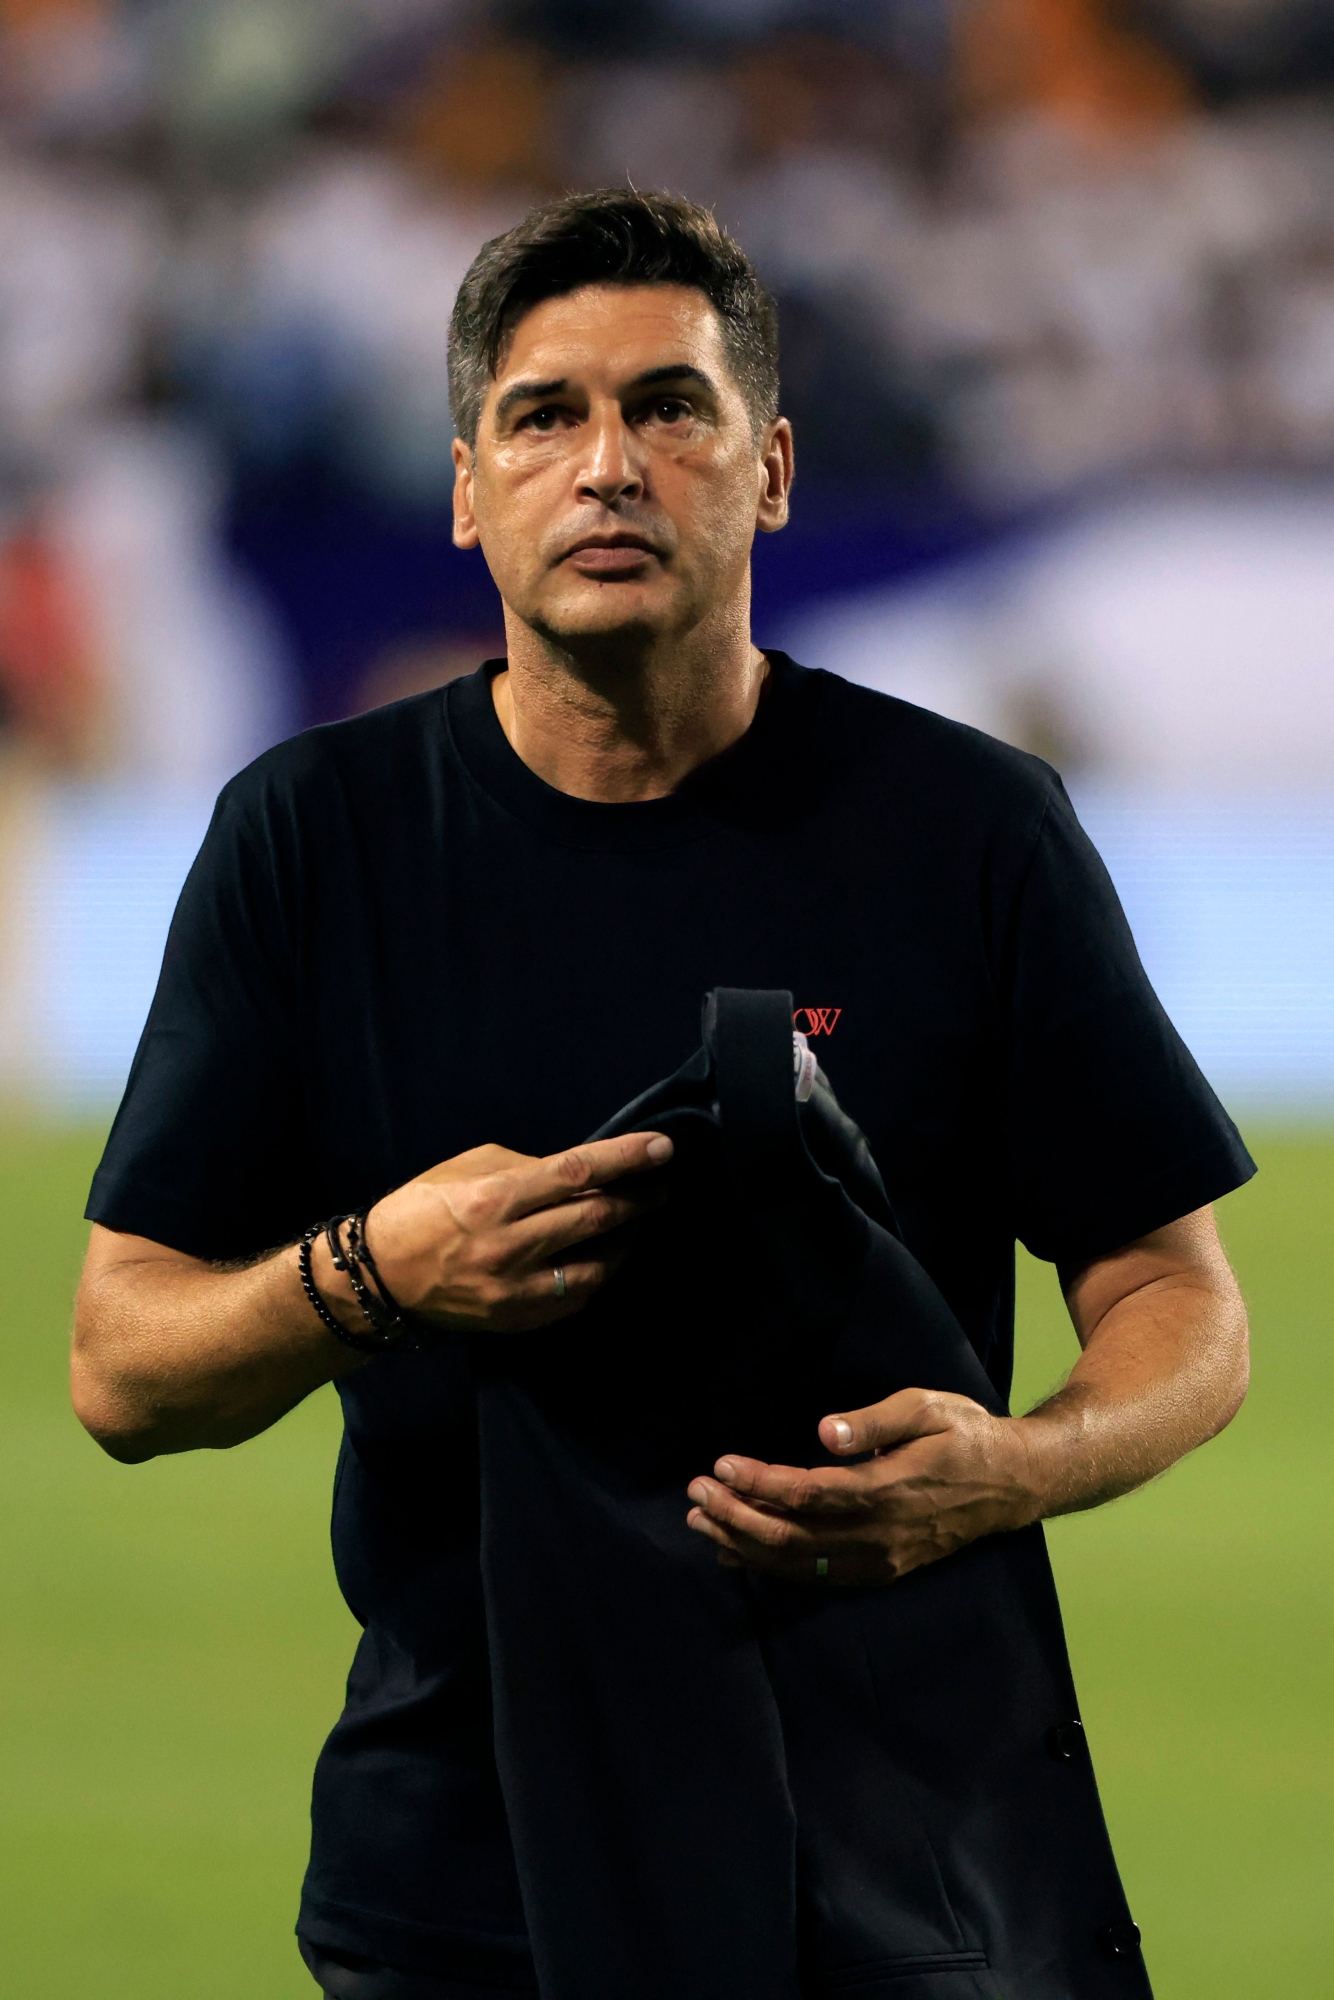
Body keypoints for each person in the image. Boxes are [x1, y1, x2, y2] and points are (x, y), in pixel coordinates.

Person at [72, 189, 1254, 2000]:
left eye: (668, 408)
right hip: (470, 1872)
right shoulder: (313, 839)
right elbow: (122, 1369)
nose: (606, 465)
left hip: (902, 1854)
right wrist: (373, 1272)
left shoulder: (967, 830)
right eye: (544, 415)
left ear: (768, 468)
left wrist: (1013, 1469)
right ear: (467, 491)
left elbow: (1178, 1304)